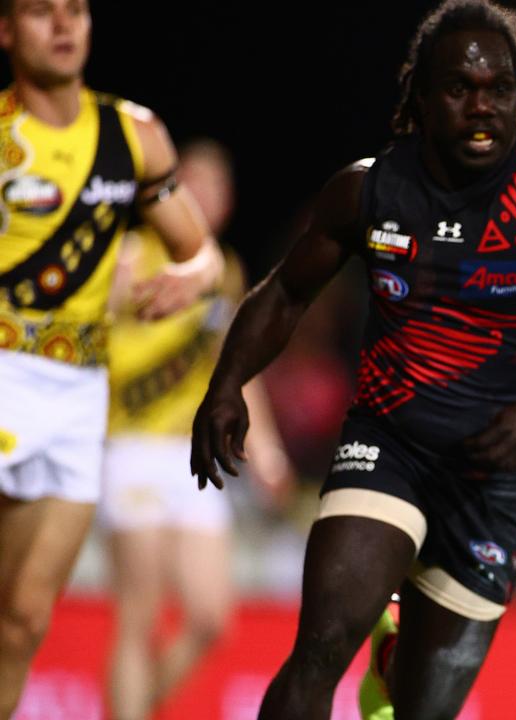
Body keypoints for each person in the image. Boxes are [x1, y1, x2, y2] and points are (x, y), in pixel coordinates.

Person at [189, 1, 516, 718]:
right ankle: (372, 646)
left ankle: (394, 663)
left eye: (500, 90)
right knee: (322, 645)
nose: (481, 107)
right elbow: (286, 294)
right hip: (388, 444)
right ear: (421, 96)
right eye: (459, 89)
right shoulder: (369, 188)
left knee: (420, 710)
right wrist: (227, 385)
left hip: (497, 478)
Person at [0, 0, 223, 716]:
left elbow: (203, 255)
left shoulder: (134, 133)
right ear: (7, 31)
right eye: (40, 12)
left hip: (76, 397)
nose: (63, 26)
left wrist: (185, 279)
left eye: (76, 10)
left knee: (24, 619)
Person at [100, 140, 294, 720]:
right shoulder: (130, 253)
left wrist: (268, 450)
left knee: (210, 617)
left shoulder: (223, 270)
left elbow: (232, 370)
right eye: (194, 184)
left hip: (190, 460)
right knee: (139, 613)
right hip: (129, 448)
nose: (205, 198)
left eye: (216, 188)